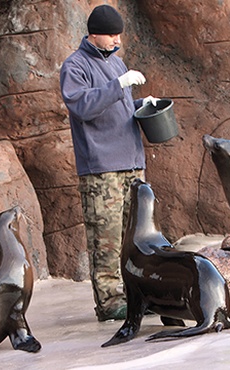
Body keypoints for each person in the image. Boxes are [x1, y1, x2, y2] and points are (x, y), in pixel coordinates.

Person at [59, 4, 156, 321]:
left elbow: (121, 105)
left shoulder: (116, 64)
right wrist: (120, 85)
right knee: (107, 240)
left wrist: (142, 103)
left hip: (132, 163)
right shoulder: (75, 66)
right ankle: (111, 302)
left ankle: (137, 294)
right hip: (101, 170)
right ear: (93, 33)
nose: (117, 40)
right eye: (111, 35)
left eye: (119, 35)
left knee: (135, 236)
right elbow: (82, 105)